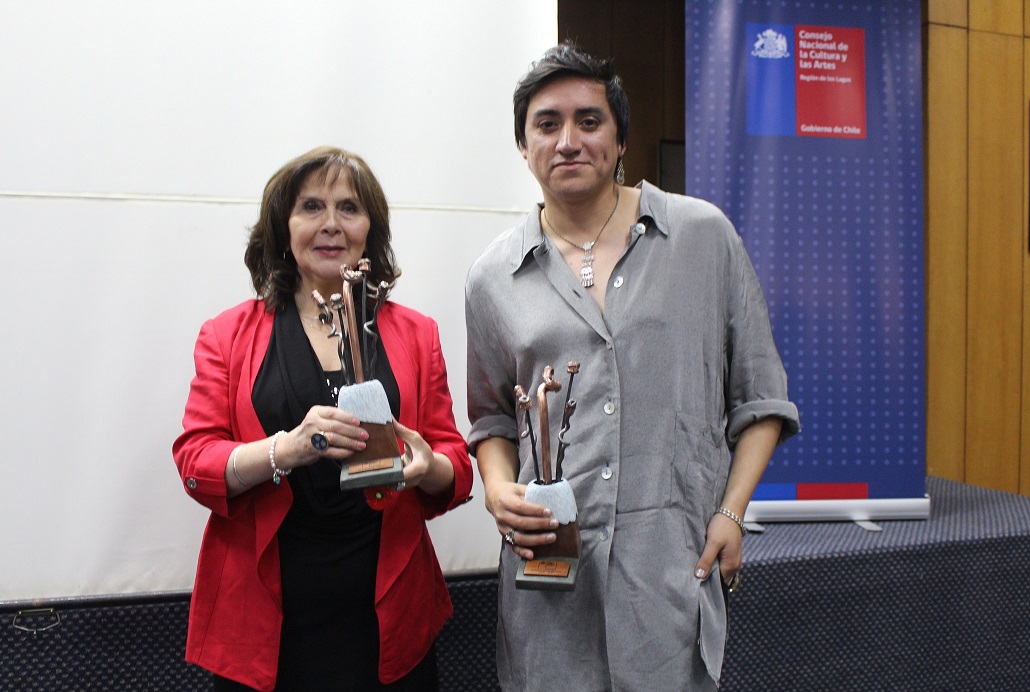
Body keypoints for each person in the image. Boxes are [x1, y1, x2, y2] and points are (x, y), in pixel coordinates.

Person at [465, 44, 800, 691]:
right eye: (546, 124)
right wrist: (497, 487)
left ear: (620, 140)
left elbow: (761, 399)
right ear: (523, 146)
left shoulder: (702, 236)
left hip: (669, 571)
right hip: (548, 587)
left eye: (589, 121)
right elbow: (491, 420)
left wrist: (731, 513)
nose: (568, 141)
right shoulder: (492, 276)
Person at [173, 146, 473, 691]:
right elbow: (196, 461)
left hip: (389, 615)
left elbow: (456, 462)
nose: (331, 224)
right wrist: (286, 449)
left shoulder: (417, 333)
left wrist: (428, 466)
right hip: (265, 618)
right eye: (311, 207)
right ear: (283, 228)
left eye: (349, 208)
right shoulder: (226, 335)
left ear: (370, 229)